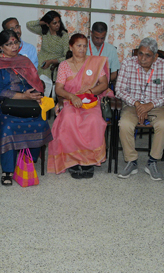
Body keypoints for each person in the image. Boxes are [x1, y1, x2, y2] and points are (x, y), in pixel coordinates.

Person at [0, 29, 52, 187]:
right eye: (9, 44)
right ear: (1, 47)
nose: (13, 46)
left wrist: (34, 94)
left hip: (27, 104)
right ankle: (7, 170)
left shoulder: (24, 61)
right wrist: (22, 95)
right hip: (3, 105)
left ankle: (28, 160)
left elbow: (35, 83)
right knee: (8, 126)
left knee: (40, 122)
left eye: (15, 43)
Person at [48, 33, 110, 178]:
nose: (82, 49)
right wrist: (72, 96)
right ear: (71, 47)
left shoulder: (93, 63)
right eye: (78, 46)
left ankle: (89, 160)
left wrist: (88, 92)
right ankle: (73, 160)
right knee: (69, 119)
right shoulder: (64, 65)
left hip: (89, 102)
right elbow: (58, 89)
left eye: (84, 46)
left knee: (94, 120)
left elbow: (104, 84)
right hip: (70, 101)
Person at [114, 37, 164, 181]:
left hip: (156, 106)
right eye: (140, 54)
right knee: (124, 124)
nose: (142, 58)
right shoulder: (128, 63)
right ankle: (132, 161)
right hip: (132, 105)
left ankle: (152, 161)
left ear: (155, 57)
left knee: (163, 125)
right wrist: (137, 104)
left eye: (147, 55)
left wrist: (150, 105)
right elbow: (119, 90)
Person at [25, 10, 69, 95]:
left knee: (46, 85)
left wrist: (52, 61)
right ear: (48, 24)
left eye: (59, 22)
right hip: (41, 62)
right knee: (35, 82)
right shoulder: (45, 31)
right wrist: (42, 22)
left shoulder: (63, 35)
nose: (58, 25)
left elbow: (67, 57)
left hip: (54, 65)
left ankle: (48, 103)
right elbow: (29, 25)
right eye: (54, 23)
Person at [88, 22, 120, 86]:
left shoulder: (111, 49)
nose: (99, 41)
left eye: (102, 38)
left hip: (102, 85)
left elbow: (114, 73)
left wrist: (103, 82)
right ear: (91, 33)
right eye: (96, 38)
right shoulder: (83, 47)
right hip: (85, 83)